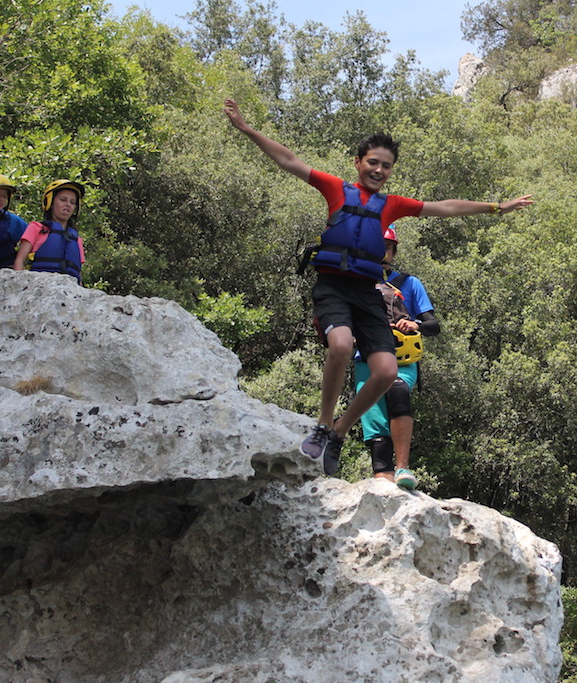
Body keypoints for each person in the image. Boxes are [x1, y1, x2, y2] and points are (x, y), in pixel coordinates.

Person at [223, 97, 533, 477]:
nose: (379, 170)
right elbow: (289, 160)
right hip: (333, 286)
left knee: (386, 372)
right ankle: (323, 425)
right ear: (358, 162)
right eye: (373, 162)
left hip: (367, 292)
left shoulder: (391, 205)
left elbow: (444, 207)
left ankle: (339, 431)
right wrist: (247, 128)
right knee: (341, 345)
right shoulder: (336, 189)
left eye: (386, 165)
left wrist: (495, 207)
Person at [355, 226, 440, 490]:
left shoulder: (409, 284)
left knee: (398, 389)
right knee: (373, 416)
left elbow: (433, 325)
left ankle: (403, 467)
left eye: (386, 247)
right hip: (366, 360)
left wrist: (414, 324)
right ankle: (383, 476)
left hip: (402, 359)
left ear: (393, 251)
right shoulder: (355, 285)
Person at [13, 179, 86, 284]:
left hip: (68, 291)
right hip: (38, 286)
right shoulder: (36, 228)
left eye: (72, 202)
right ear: (51, 202)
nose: (68, 204)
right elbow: (19, 261)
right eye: (63, 200)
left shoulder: (76, 239)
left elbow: (78, 275)